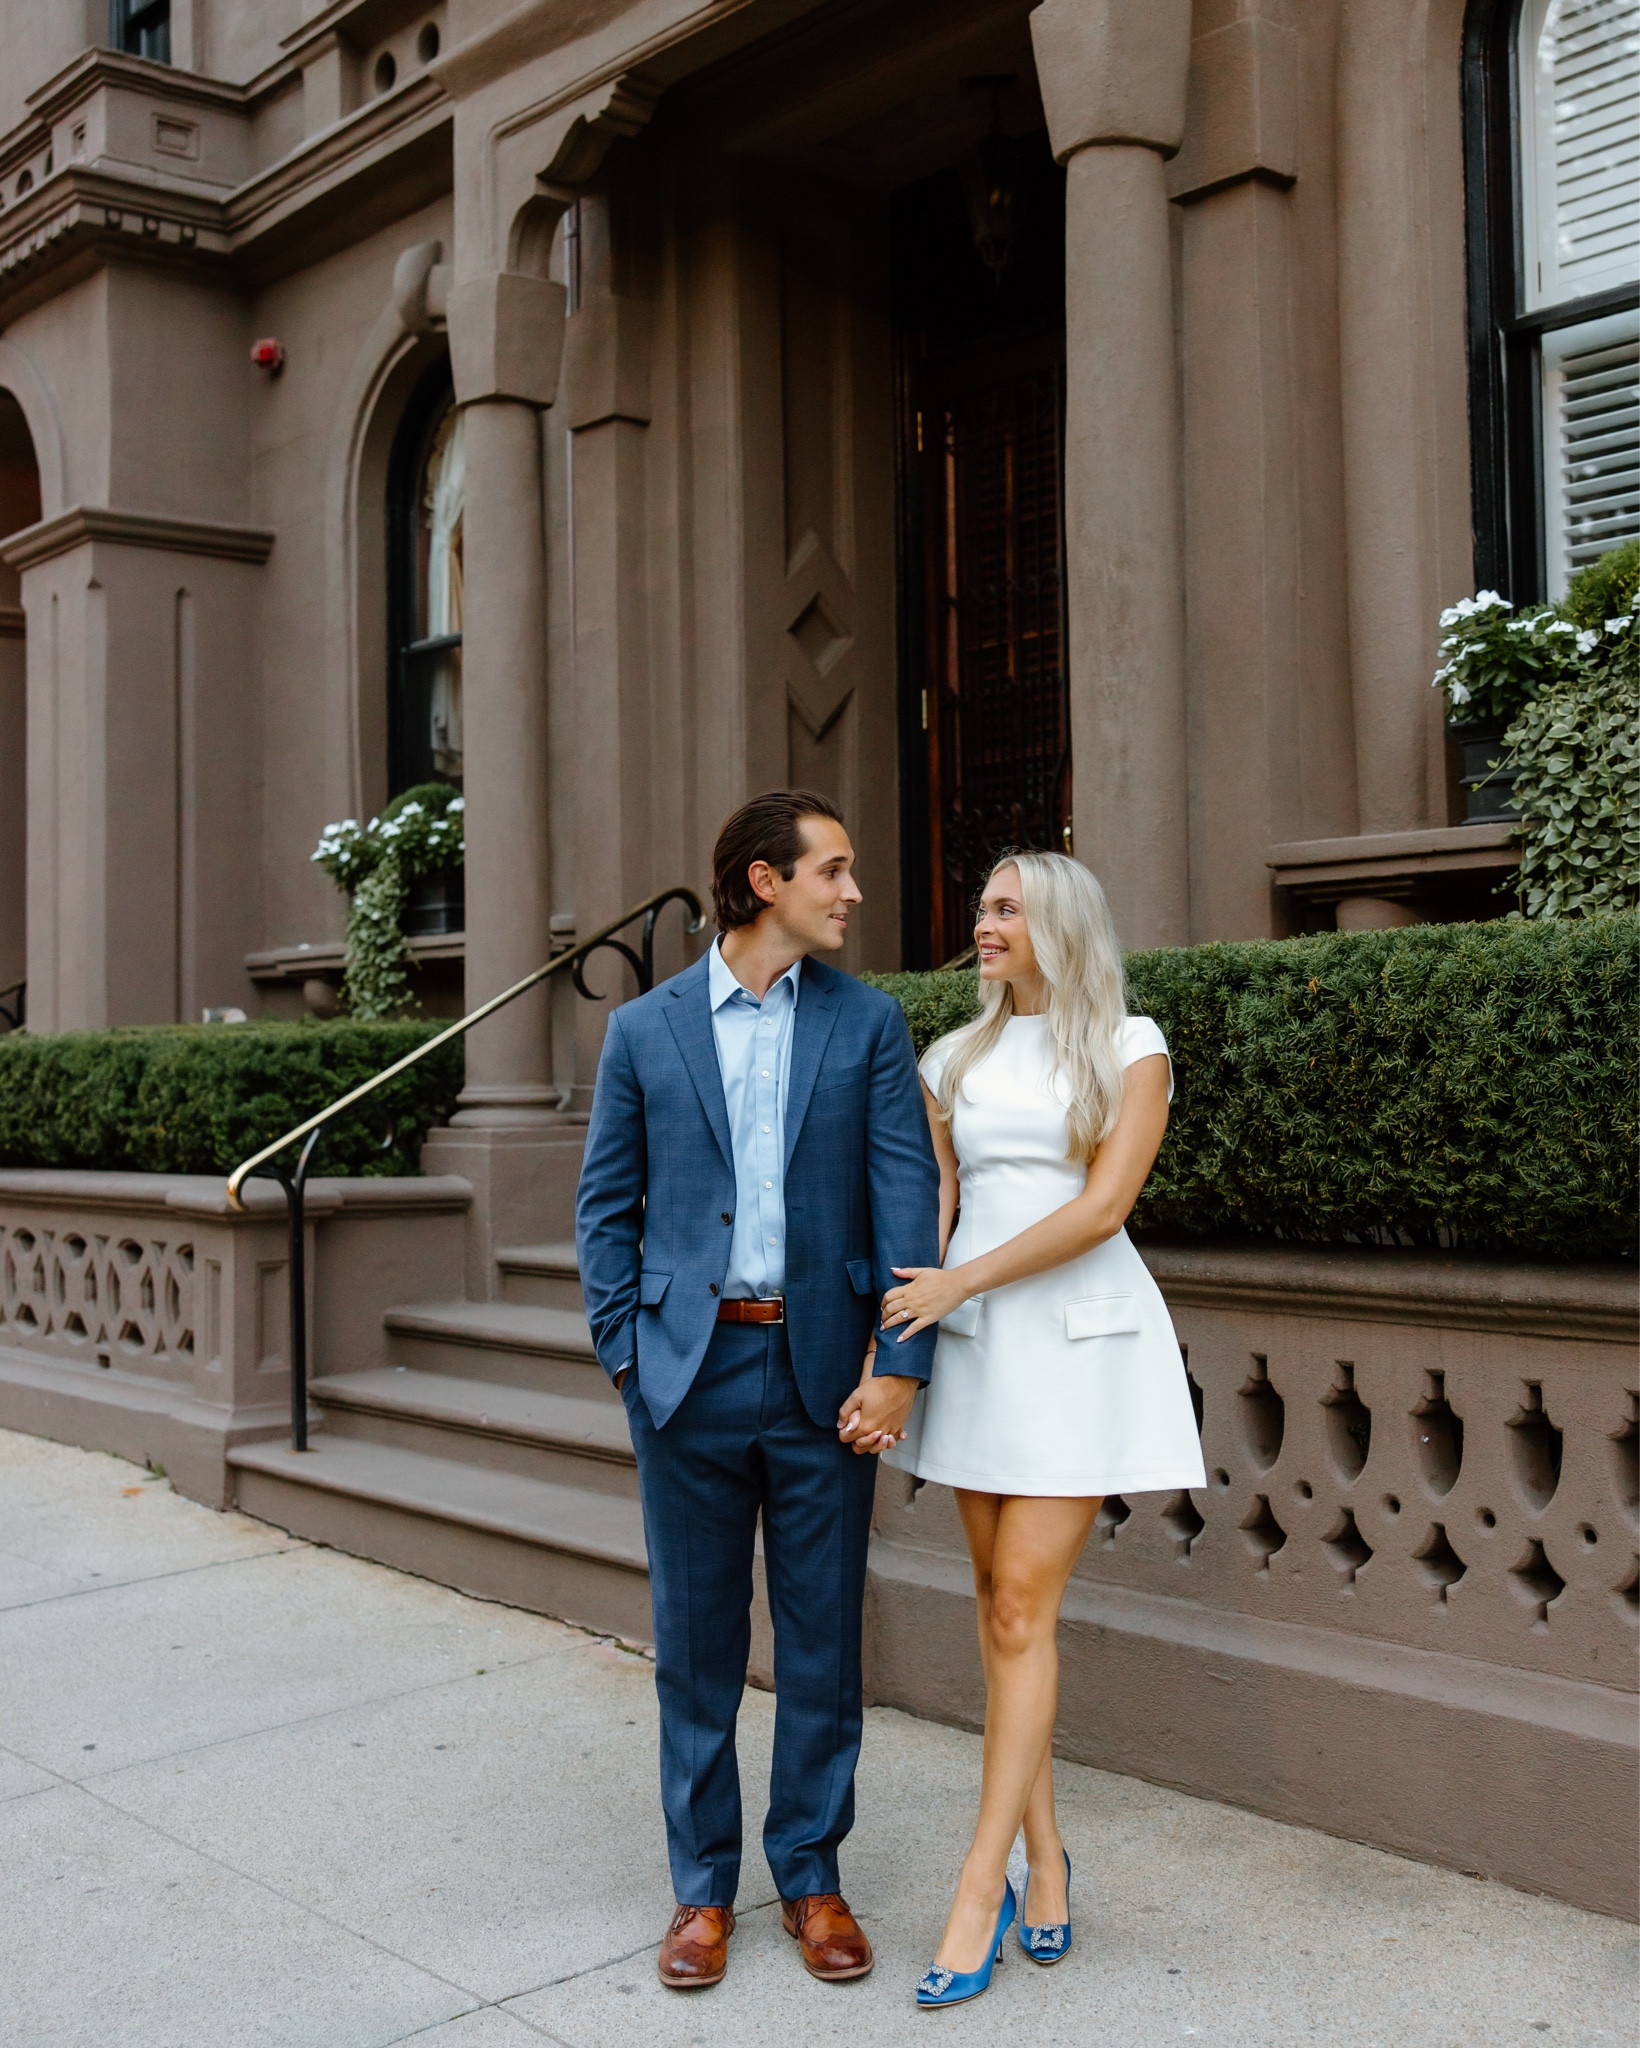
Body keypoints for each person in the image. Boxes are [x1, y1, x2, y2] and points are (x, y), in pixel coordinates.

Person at [575, 789, 941, 1992]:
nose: (850, 890)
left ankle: (811, 1873)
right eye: (830, 869)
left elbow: (903, 1206)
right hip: (684, 1373)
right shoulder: (643, 1029)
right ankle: (699, 1891)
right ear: (761, 882)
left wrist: (895, 1368)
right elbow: (604, 1213)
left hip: (822, 1373)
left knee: (824, 1637)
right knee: (695, 1642)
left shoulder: (868, 1022)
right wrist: (629, 1356)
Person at [880, 850, 1205, 2010]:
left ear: (1057, 921)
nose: (982, 922)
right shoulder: (949, 1056)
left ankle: (981, 1885)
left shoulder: (1130, 1043)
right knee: (994, 1608)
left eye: (1005, 907)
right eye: (977, 905)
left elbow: (1103, 1206)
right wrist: (900, 1348)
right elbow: (936, 1206)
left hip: (1077, 1345)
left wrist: (959, 1285)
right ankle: (1048, 1854)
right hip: (973, 1356)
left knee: (1022, 1603)